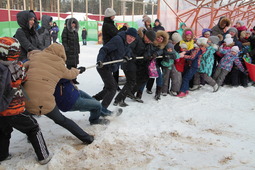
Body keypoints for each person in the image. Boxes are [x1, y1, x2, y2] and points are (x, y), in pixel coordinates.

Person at [23, 43, 94, 145]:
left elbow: (25, 64)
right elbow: (71, 75)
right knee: (62, 120)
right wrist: (78, 70)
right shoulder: (59, 65)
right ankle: (86, 138)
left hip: (26, 99)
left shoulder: (36, 57)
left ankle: (31, 137)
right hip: (45, 101)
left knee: (27, 119)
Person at [0, 37, 51, 165]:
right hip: (15, 110)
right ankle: (43, 156)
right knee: (33, 128)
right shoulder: (17, 67)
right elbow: (23, 79)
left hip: (1, 110)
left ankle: (2, 155)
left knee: (3, 132)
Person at [93, 28, 137, 114]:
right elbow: (104, 49)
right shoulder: (118, 40)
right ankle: (102, 109)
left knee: (108, 88)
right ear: (126, 34)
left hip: (110, 67)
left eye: (133, 38)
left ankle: (93, 100)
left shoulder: (127, 43)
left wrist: (127, 56)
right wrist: (100, 60)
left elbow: (128, 51)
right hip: (103, 66)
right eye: (130, 36)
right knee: (112, 88)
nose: (131, 39)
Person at [102, 8, 128, 90]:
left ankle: (115, 84)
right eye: (113, 15)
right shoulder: (107, 25)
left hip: (113, 48)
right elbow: (116, 34)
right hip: (110, 48)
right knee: (110, 67)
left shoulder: (109, 23)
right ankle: (108, 85)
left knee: (115, 66)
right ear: (110, 16)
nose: (114, 16)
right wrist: (124, 28)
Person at [61, 18, 80, 84]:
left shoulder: (75, 31)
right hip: (69, 52)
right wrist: (67, 49)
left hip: (75, 52)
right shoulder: (66, 30)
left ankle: (74, 78)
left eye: (74, 23)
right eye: (72, 23)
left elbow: (77, 42)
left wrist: (78, 50)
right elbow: (64, 40)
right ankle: (69, 79)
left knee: (75, 65)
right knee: (69, 66)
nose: (73, 25)